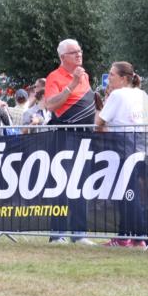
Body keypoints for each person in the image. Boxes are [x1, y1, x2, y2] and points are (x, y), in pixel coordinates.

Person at [96, 61, 148, 247]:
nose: (109, 77)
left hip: (122, 146)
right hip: (141, 146)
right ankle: (125, 236)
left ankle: (138, 237)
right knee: (128, 192)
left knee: (128, 193)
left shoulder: (117, 95)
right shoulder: (142, 93)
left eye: (112, 74)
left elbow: (99, 121)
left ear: (123, 78)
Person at [43, 38, 96, 245]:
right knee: (62, 183)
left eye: (80, 50)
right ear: (63, 57)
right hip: (64, 136)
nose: (79, 54)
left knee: (81, 183)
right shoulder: (54, 77)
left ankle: (79, 233)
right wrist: (71, 85)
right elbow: (50, 105)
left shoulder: (85, 76)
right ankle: (57, 233)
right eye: (74, 52)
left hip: (84, 135)